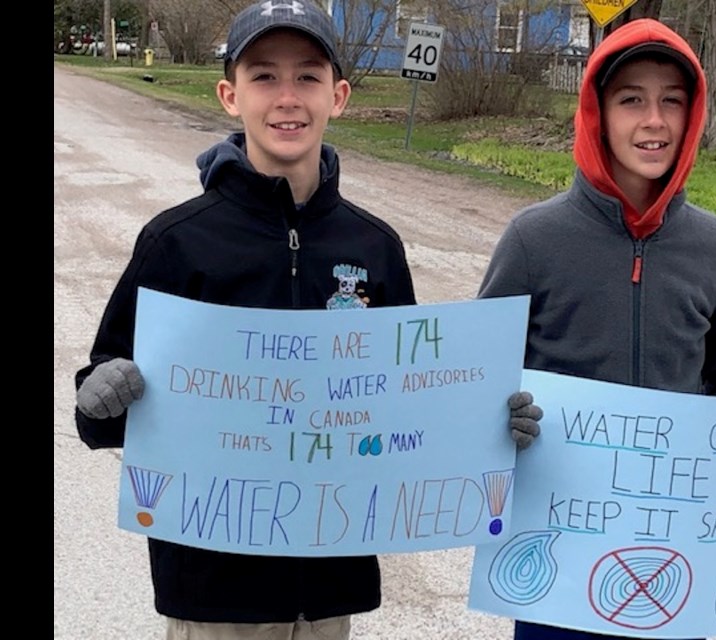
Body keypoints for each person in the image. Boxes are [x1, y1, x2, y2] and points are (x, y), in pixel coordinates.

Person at [74, 2, 540, 638]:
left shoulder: (375, 248)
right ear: (229, 95)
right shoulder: (176, 243)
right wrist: (100, 394)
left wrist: (486, 424)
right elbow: (98, 406)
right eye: (264, 76)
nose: (287, 97)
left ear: (338, 96)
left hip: (328, 588)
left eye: (308, 77)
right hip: (213, 591)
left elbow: (409, 407)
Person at [479, 18, 716, 640]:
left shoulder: (711, 243)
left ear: (692, 114)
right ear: (598, 114)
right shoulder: (534, 239)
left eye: (672, 100)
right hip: (561, 559)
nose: (654, 120)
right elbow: (477, 373)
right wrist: (499, 416)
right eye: (632, 100)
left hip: (677, 566)